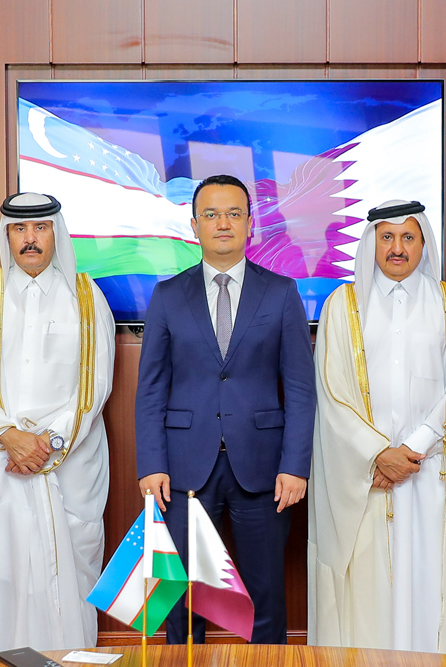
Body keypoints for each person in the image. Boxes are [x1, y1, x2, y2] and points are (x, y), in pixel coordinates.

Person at [307, 200, 446, 656]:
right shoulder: (342, 305)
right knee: (372, 586)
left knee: (432, 578)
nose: (397, 248)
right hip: (366, 477)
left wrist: (413, 447)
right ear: (371, 243)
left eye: (408, 237)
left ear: (423, 243)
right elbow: (332, 394)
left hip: (433, 474)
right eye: (386, 238)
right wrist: (377, 453)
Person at [135, 174, 316, 644]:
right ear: (194, 225)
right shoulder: (168, 295)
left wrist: (295, 467)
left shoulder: (280, 293)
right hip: (182, 472)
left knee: (266, 599)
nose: (223, 224)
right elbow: (151, 388)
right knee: (183, 600)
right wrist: (151, 463)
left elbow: (300, 389)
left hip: (263, 470)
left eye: (234, 213)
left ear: (250, 224)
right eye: (211, 214)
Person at [0, 193, 116, 658]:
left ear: (56, 232)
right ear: (7, 235)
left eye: (40, 228)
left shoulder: (86, 296)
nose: (30, 239)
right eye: (20, 230)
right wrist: (10, 438)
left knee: (65, 581)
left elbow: (94, 387)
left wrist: (45, 447)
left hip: (66, 466)